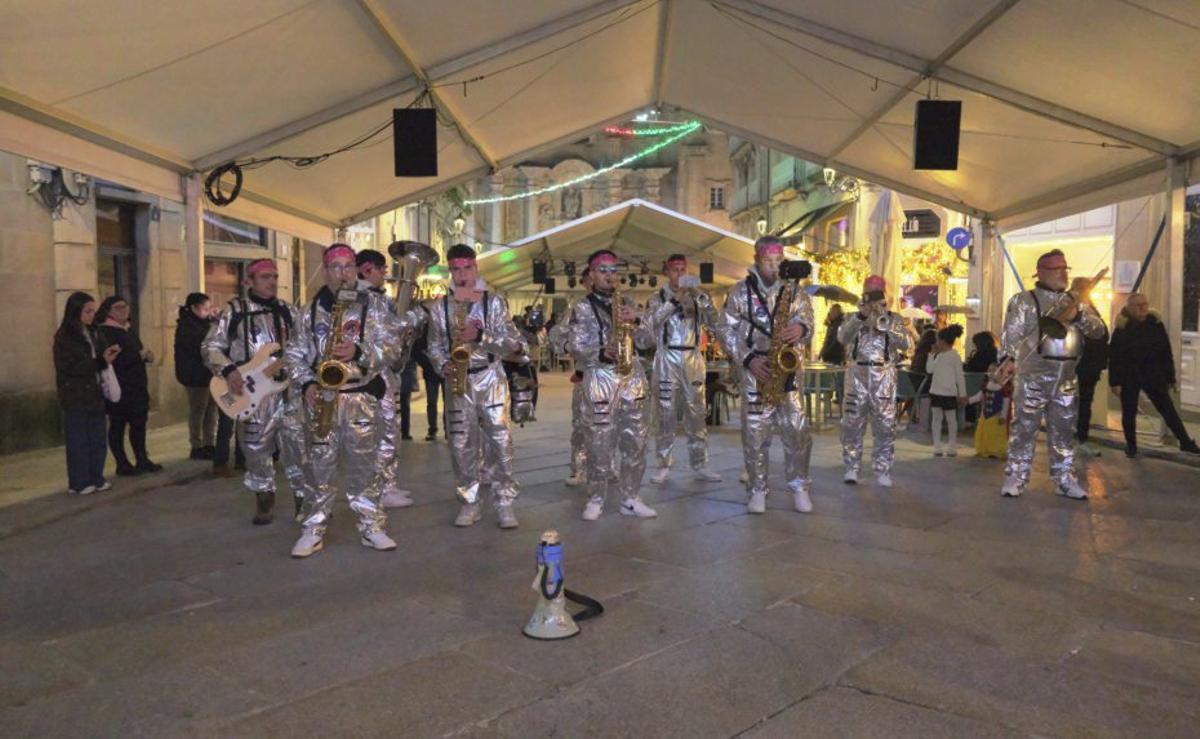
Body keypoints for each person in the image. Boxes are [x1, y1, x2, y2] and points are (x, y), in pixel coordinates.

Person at [285, 244, 401, 557]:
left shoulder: (374, 306)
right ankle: (313, 528)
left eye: (349, 266)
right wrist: (307, 382)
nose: (344, 273)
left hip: (359, 396)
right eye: (336, 267)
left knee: (364, 469)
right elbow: (294, 354)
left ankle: (371, 526)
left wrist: (361, 352)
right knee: (318, 470)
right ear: (325, 270)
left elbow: (392, 347)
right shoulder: (308, 311)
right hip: (321, 398)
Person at [426, 244, 527, 528]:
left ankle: (505, 501)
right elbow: (433, 345)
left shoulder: (493, 302)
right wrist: (441, 363)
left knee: (500, 440)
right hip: (457, 381)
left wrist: (480, 335)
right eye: (455, 269)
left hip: (491, 377)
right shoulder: (439, 306)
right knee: (460, 445)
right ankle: (469, 502)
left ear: (476, 268)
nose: (461, 275)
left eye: (466, 268)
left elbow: (514, 344)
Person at [202, 259, 307, 525]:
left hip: (288, 391)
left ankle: (304, 500)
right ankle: (264, 499)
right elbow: (211, 346)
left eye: (274, 276)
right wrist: (228, 371)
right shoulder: (233, 310)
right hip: (252, 394)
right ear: (249, 280)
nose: (271, 281)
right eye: (264, 277)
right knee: (256, 449)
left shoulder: (288, 310)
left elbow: (305, 342)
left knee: (297, 447)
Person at [999, 249, 1105, 499]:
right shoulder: (1024, 300)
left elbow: (1099, 332)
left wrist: (1079, 314)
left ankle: (1064, 479)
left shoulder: (1078, 300)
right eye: (1058, 269)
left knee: (1064, 432)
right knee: (1024, 429)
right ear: (1043, 272)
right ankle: (1016, 476)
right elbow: (1011, 336)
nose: (1063, 274)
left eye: (1065, 269)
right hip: (1034, 375)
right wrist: (1007, 360)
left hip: (1067, 376)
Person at [720, 236, 815, 514]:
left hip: (788, 370)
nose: (774, 267)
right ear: (756, 260)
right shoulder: (739, 291)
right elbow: (725, 330)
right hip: (756, 369)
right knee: (755, 434)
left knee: (797, 430)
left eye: (778, 261)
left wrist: (801, 330)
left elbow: (808, 318)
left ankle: (799, 486)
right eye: (768, 262)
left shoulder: (796, 291)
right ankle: (758, 489)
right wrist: (747, 358)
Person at [571, 249, 658, 521]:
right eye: (603, 271)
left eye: (613, 271)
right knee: (599, 441)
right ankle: (596, 497)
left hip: (631, 376)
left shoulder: (629, 302)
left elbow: (648, 342)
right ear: (592, 275)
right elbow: (572, 344)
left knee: (636, 440)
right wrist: (599, 352)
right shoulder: (581, 308)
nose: (609, 276)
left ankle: (631, 498)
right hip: (599, 376)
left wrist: (638, 320)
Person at [645, 254, 723, 485]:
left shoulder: (699, 296)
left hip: (692, 357)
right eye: (675, 269)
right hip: (666, 356)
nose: (679, 273)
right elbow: (651, 324)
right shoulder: (657, 297)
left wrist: (704, 300)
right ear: (667, 272)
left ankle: (700, 463)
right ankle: (663, 463)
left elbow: (715, 322)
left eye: (683, 269)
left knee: (697, 413)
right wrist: (674, 301)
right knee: (665, 413)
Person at [838, 275, 912, 487]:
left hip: (884, 377)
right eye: (868, 293)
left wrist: (885, 320)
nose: (872, 298)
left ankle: (882, 469)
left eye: (876, 293)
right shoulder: (852, 317)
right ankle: (852, 467)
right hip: (857, 375)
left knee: (885, 425)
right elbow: (842, 338)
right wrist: (860, 317)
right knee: (851, 424)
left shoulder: (894, 318)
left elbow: (906, 344)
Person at [357, 248, 415, 509]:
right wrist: (414, 317)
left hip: (385, 373)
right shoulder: (361, 299)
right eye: (382, 270)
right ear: (367, 269)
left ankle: (388, 484)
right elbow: (386, 333)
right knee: (382, 434)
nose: (385, 275)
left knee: (391, 433)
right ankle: (379, 488)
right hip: (372, 375)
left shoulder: (377, 299)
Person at [1108, 292, 1200, 457]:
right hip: (1130, 376)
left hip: (1153, 374)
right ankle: (1131, 446)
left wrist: (1170, 376)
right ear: (1129, 308)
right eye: (1138, 305)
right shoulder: (1123, 328)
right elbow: (1115, 357)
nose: (1143, 308)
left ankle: (1185, 442)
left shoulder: (1155, 324)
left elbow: (1165, 351)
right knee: (1129, 412)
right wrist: (1115, 382)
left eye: (1145, 304)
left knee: (1168, 409)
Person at [54, 292, 120, 495]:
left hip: (95, 392)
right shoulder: (65, 336)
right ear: (76, 312)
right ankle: (79, 481)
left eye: (93, 311)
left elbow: (98, 357)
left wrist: (107, 354)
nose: (92, 315)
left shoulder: (94, 332)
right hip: (75, 394)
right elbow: (70, 366)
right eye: (87, 311)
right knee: (79, 440)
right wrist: (99, 362)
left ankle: (96, 477)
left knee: (97, 438)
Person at [95, 296, 161, 476]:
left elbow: (136, 351)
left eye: (126, 306)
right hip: (120, 387)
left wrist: (147, 355)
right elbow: (112, 360)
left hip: (137, 386)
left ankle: (142, 459)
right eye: (118, 308)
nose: (124, 310)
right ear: (108, 311)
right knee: (118, 425)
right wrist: (137, 356)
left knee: (138, 424)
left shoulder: (127, 329)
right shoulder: (105, 331)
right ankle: (122, 463)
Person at [553, 268, 590, 487]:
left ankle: (609, 465)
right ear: (586, 282)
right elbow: (558, 334)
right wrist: (570, 347)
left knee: (612, 424)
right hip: (585, 374)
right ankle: (579, 468)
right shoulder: (577, 308)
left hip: (613, 376)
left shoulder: (618, 305)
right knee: (581, 424)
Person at [174, 292, 217, 460]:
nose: (208, 311)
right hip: (194, 375)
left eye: (209, 308)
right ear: (193, 308)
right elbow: (202, 343)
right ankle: (197, 445)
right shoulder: (187, 325)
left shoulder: (204, 323)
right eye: (205, 308)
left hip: (209, 374)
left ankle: (209, 442)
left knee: (212, 409)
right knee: (198, 409)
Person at [1072, 277, 1109, 458]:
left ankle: (1081, 438)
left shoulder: (1088, 306)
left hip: (1091, 364)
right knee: (1078, 403)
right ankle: (1077, 439)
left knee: (1085, 403)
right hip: (1080, 364)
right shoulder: (1075, 308)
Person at [926, 325, 967, 456]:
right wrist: (931, 355)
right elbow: (929, 370)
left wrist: (963, 394)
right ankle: (937, 446)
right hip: (936, 391)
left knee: (951, 420)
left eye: (938, 340)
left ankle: (952, 446)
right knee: (936, 420)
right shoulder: (937, 356)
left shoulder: (954, 356)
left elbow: (960, 377)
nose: (936, 343)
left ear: (943, 341)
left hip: (949, 393)